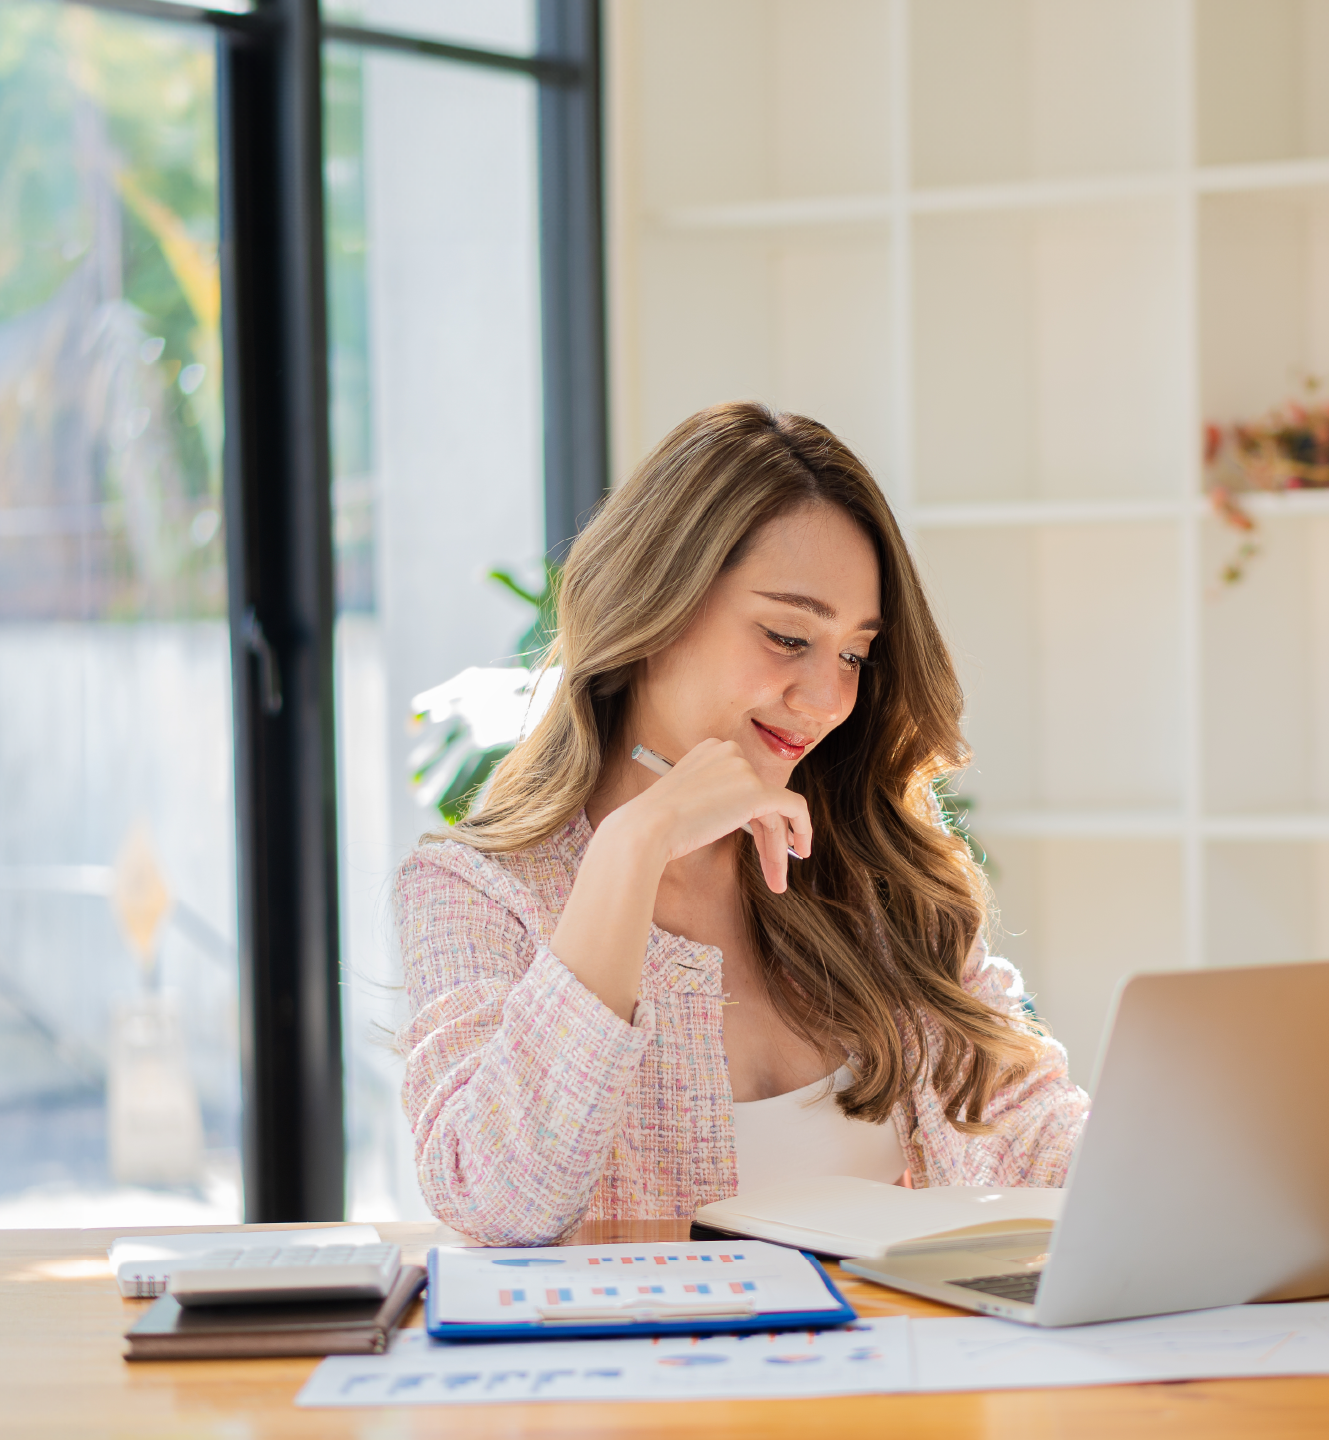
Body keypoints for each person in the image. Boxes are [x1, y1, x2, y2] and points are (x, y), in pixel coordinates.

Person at [395, 402, 1084, 1247]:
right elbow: (501, 1204)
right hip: (640, 1380)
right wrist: (630, 850)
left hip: (886, 1376)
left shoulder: (871, 865)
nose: (830, 699)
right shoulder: (475, 894)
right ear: (653, 610)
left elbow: (1026, 1129)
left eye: (854, 654)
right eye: (788, 636)